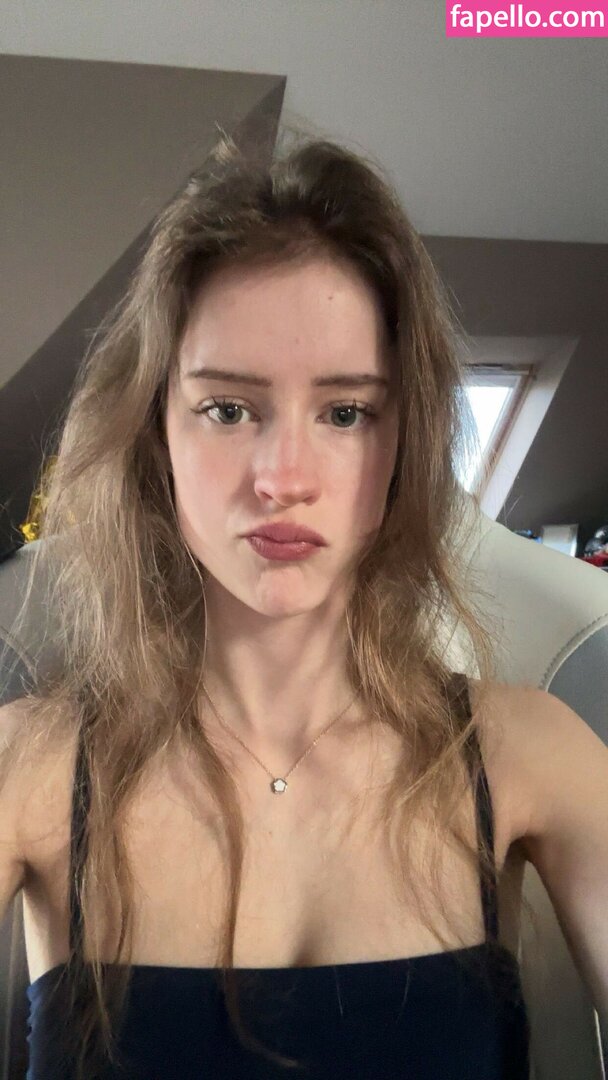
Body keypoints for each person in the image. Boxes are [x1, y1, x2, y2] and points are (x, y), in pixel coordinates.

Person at [0, 130, 606, 1080]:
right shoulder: (27, 773)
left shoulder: (531, 757)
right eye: (228, 409)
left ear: (404, 440)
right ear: (157, 432)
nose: (284, 478)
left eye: (345, 413)